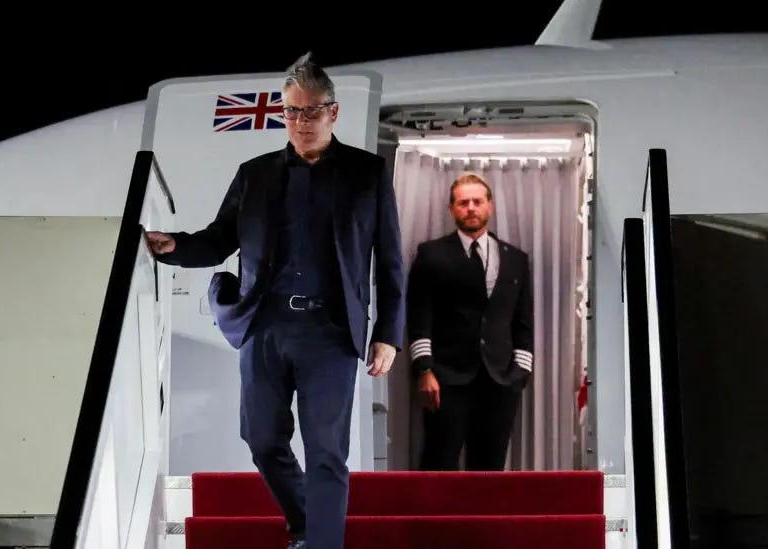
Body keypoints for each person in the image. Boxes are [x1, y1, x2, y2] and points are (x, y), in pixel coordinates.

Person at [145, 52, 405, 549]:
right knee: (261, 439)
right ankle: (306, 523)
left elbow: (391, 261)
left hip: (331, 333)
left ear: (333, 112)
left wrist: (389, 334)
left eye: (312, 111)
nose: (301, 121)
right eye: (291, 111)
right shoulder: (255, 174)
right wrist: (175, 246)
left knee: (326, 451)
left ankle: (321, 542)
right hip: (264, 327)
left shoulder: (367, 173)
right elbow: (219, 239)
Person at [406, 172, 533, 472]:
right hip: (446, 380)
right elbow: (419, 315)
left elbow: (523, 321)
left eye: (477, 201)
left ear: (490, 206)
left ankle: (485, 510)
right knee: (438, 464)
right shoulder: (431, 254)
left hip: (500, 381)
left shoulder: (515, 259)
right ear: (452, 209)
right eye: (463, 203)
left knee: (490, 469)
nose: (471, 208)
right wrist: (424, 369)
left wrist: (520, 372)